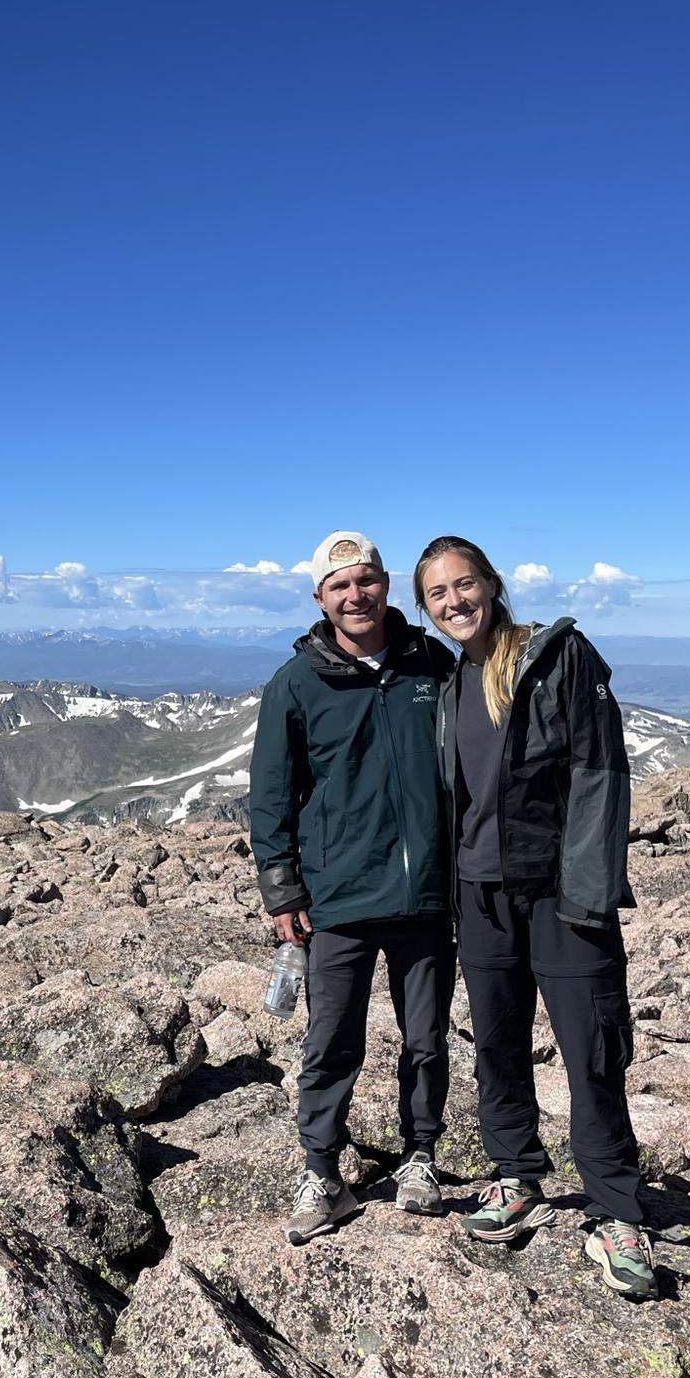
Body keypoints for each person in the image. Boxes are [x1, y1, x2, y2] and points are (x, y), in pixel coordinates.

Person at [413, 534, 655, 1301]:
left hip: (559, 894)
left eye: (463, 585)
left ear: (491, 583)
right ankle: (516, 1174)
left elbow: (599, 772)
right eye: (437, 595)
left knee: (590, 1049)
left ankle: (616, 1211)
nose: (454, 602)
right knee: (498, 1042)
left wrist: (587, 893)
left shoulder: (555, 659)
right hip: (480, 898)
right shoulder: (455, 685)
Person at [250, 529, 457, 1244]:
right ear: (320, 599)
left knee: (425, 1036)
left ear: (386, 585)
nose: (355, 594)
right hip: (337, 896)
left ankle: (421, 1157)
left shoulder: (430, 662)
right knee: (331, 1038)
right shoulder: (297, 684)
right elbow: (270, 798)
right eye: (339, 585)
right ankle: (320, 1171)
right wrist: (284, 895)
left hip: (427, 893)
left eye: (365, 580)